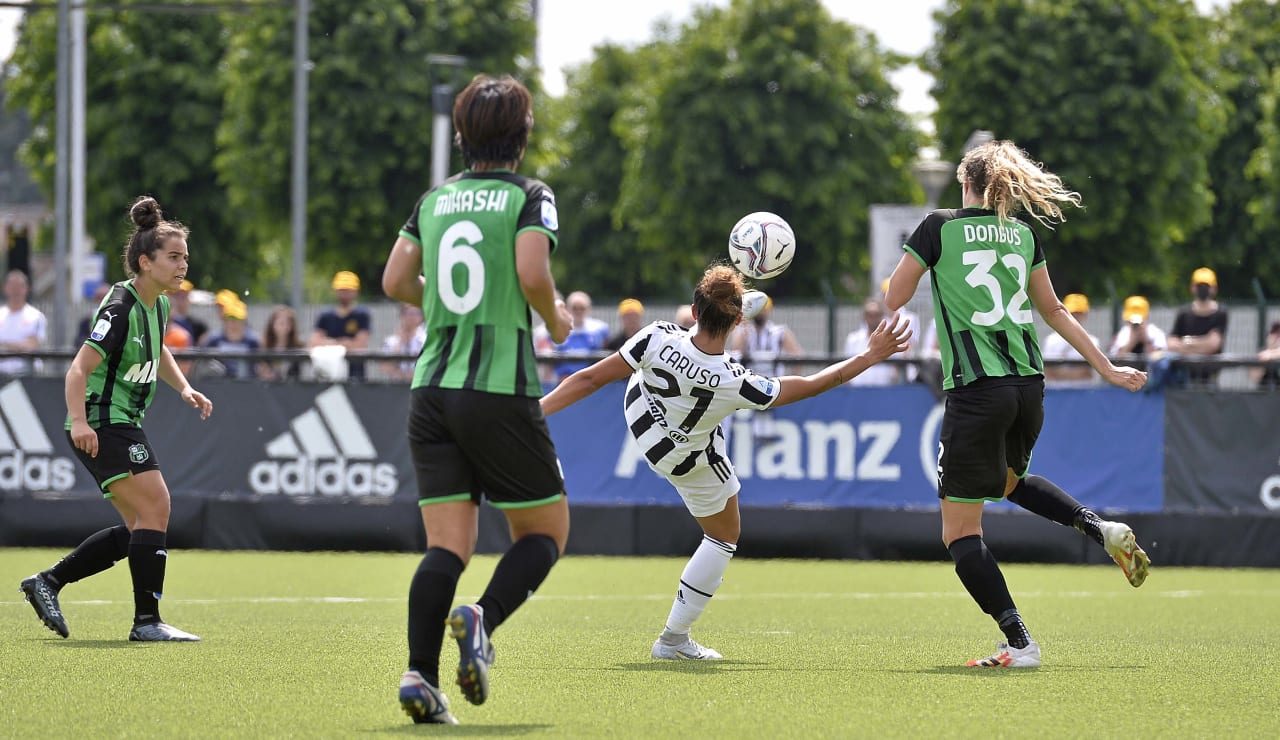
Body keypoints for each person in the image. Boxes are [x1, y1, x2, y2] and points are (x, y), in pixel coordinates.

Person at [542, 265, 909, 660]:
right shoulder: (736, 379)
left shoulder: (656, 336)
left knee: (640, 375)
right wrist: (869, 356)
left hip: (641, 423)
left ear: (694, 310)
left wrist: (536, 412)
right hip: (685, 460)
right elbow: (814, 384)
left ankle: (675, 640)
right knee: (724, 534)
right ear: (737, 322)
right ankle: (673, 641)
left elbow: (588, 380)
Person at [884, 140, 1151, 670]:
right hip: (1029, 387)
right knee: (1006, 482)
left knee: (959, 532)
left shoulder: (938, 226)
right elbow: (1054, 311)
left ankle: (1020, 643)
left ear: (965, 183)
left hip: (977, 389)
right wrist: (1108, 369)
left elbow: (894, 296)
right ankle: (1098, 527)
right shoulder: (1022, 234)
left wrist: (915, 270)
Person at [381, 73, 575, 725]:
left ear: (461, 136)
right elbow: (530, 272)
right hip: (496, 387)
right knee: (545, 531)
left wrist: (436, 305)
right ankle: (482, 619)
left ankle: (418, 675)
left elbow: (395, 279)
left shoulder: (434, 201)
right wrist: (552, 319)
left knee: (447, 546)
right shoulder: (530, 195)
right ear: (522, 137)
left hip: (430, 388)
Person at [18, 196, 212, 643]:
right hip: (101, 422)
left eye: (185, 256)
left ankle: (48, 582)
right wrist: (80, 422)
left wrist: (183, 387)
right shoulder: (120, 306)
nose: (183, 264)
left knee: (140, 526)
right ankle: (147, 622)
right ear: (145, 262)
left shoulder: (158, 304)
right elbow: (78, 369)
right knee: (157, 506)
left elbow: (157, 349)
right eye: (174, 257)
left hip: (120, 419)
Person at [730, 296, 802, 442]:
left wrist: (791, 382)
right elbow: (735, 357)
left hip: (774, 387)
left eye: (763, 309)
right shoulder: (743, 332)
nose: (760, 313)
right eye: (757, 310)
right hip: (748, 388)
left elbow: (798, 357)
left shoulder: (780, 332)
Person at [1167, 267, 1228, 387]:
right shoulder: (1184, 313)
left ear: (1214, 289)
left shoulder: (1220, 313)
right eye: (1199, 286)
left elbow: (1213, 345)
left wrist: (1187, 343)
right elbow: (1171, 344)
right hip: (1184, 375)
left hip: (1209, 377)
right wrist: (1202, 345)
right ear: (1192, 288)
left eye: (1206, 286)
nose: (1202, 289)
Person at [311, 270, 371, 381]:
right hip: (328, 374)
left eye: (348, 290)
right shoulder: (325, 316)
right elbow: (314, 342)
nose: (345, 293)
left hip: (355, 374)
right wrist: (343, 344)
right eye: (342, 290)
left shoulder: (361, 315)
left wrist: (329, 344)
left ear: (356, 291)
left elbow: (360, 344)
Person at [549, 290, 610, 383]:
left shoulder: (599, 329)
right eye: (575, 308)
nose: (578, 311)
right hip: (564, 380)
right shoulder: (559, 328)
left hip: (590, 380)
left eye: (582, 308)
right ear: (568, 309)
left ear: (588, 309)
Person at [1041, 293, 1100, 385]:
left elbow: (1090, 372)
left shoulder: (1093, 341)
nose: (1075, 316)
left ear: (1086, 315)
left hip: (1083, 393)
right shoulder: (1051, 340)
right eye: (1072, 312)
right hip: (1057, 393)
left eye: (1079, 313)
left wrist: (1060, 374)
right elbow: (1047, 370)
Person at [0, 269, 48, 376]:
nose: (15, 291)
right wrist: (18, 345)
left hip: (26, 375)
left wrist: (3, 344)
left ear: (26, 289)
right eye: (12, 286)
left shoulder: (36, 317)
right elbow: (22, 346)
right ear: (5, 288)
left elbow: (31, 346)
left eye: (19, 287)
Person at [844, 298, 898, 386]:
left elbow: (895, 371)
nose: (872, 318)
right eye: (869, 314)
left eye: (876, 314)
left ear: (881, 316)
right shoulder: (853, 340)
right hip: (857, 392)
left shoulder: (890, 340)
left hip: (884, 392)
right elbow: (846, 368)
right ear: (864, 316)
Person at [202, 299, 261, 379]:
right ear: (225, 321)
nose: (233, 323)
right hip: (220, 386)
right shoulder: (214, 340)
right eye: (230, 319)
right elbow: (204, 363)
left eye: (238, 319)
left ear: (244, 321)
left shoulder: (253, 342)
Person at [381, 303, 427, 382]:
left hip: (420, 382)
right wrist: (400, 342)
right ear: (402, 316)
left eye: (417, 313)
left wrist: (413, 375)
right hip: (396, 384)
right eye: (409, 313)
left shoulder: (426, 340)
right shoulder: (391, 341)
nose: (412, 317)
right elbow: (385, 366)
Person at [258, 305, 304, 381]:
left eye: (287, 322)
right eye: (280, 322)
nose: (284, 325)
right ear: (272, 324)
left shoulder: (298, 348)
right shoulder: (264, 347)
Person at [168, 279, 208, 345]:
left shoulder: (198, 327)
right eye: (177, 296)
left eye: (183, 296)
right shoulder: (163, 321)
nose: (180, 300)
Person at [1253, 321, 1280, 390]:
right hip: (1265, 396)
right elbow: (1254, 377)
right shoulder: (1263, 353)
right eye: (1273, 333)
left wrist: (1274, 354)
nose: (1276, 338)